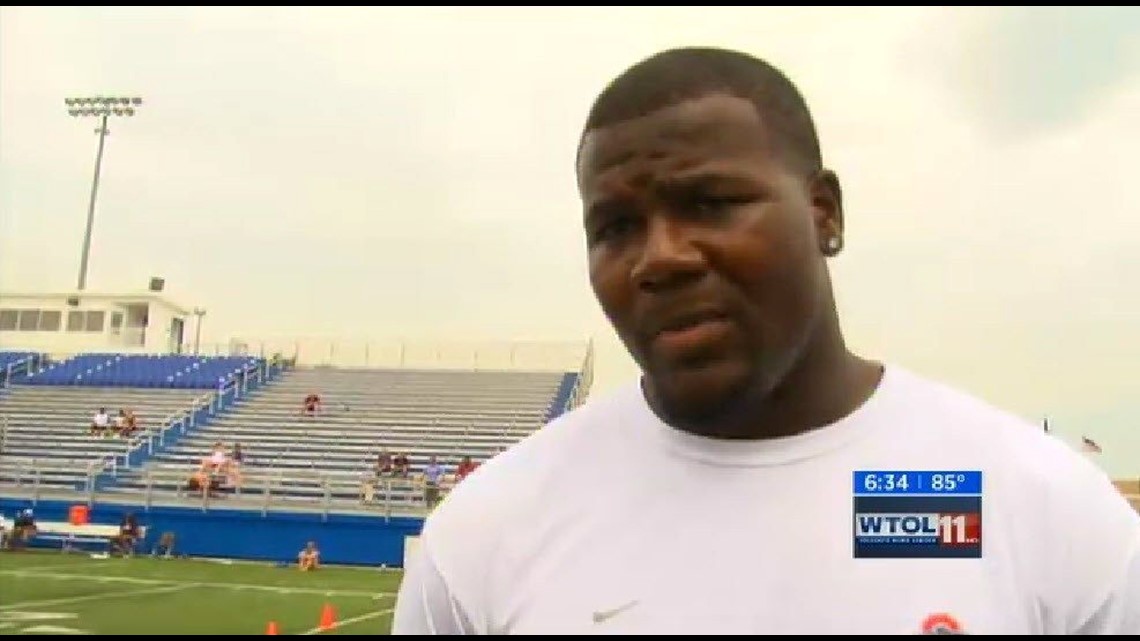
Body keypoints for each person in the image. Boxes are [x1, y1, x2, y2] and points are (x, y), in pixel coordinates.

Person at [391, 47, 1140, 635]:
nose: (661, 258)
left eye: (710, 203)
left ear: (825, 212)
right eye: (614, 227)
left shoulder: (1043, 510)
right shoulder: (486, 533)